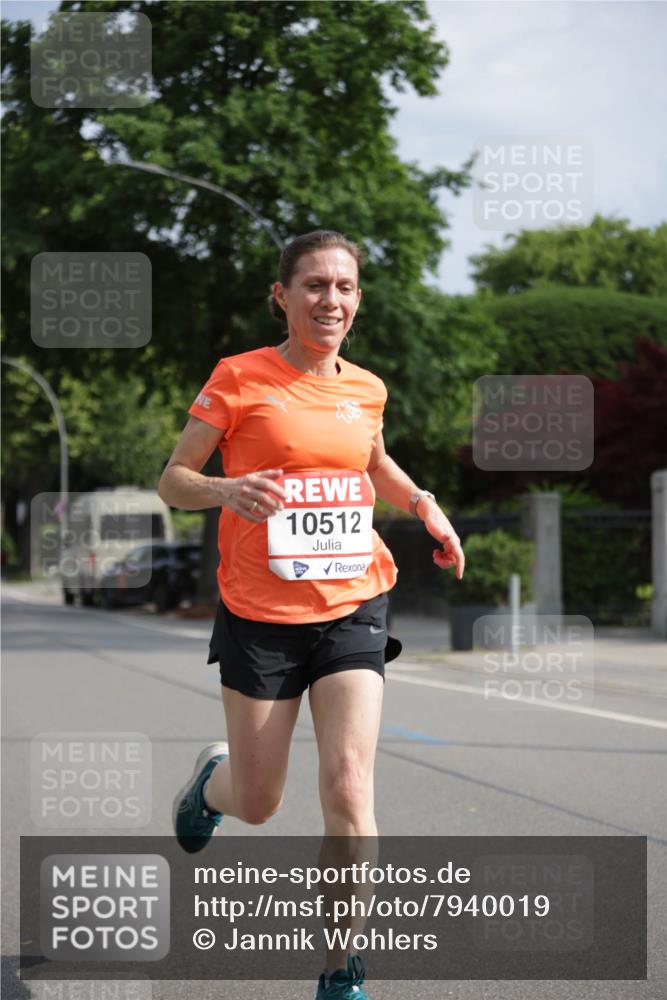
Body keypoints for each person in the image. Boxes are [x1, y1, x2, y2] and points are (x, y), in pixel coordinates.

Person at [158, 230, 465, 1000]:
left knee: (350, 786)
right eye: (315, 286)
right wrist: (226, 490)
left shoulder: (365, 388)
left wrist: (424, 505)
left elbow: (372, 461)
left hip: (352, 600)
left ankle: (340, 968)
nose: (332, 300)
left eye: (346, 287)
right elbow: (174, 479)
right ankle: (211, 787)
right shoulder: (238, 377)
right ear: (282, 295)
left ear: (358, 299)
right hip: (260, 611)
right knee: (261, 802)